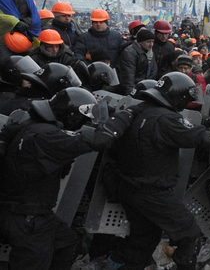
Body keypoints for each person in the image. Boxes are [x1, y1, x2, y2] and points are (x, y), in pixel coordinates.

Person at [106, 73, 210, 270]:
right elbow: (208, 139)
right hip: (153, 192)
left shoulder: (142, 110)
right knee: (189, 236)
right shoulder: (165, 118)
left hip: (130, 187)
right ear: (179, 96)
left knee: (143, 240)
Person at [0, 87, 137, 270]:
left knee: (67, 243)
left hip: (28, 213)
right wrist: (126, 115)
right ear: (71, 116)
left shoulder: (31, 126)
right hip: (28, 219)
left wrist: (106, 111)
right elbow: (99, 140)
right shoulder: (49, 137)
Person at [118, 29, 158, 95]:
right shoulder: (129, 53)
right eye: (148, 42)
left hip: (145, 88)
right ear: (140, 42)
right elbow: (128, 77)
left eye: (152, 42)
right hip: (134, 89)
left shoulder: (150, 53)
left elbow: (153, 70)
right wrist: (131, 94)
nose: (151, 44)